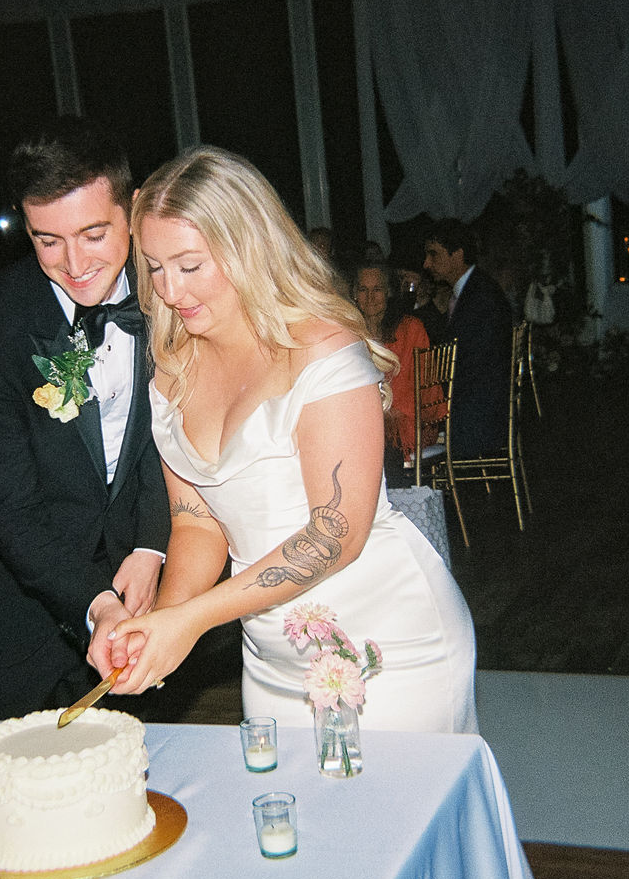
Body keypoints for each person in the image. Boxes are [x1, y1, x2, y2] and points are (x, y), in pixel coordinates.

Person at [96, 146, 477, 734]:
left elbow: (335, 535)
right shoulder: (172, 365)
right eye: (153, 267)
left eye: (190, 265)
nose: (169, 291)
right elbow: (198, 524)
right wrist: (160, 626)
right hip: (271, 655)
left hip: (389, 642)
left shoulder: (323, 350)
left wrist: (193, 620)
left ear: (248, 247)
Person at [0, 116, 170, 720]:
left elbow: (162, 439)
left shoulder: (171, 291)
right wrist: (95, 603)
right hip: (5, 609)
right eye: (47, 240)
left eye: (93, 234)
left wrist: (150, 546)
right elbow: (8, 510)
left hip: (130, 587)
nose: (74, 262)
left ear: (133, 208)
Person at [423, 219, 514, 457]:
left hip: (479, 420)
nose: (426, 263)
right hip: (479, 410)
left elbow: (469, 366)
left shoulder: (481, 299)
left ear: (457, 254)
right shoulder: (473, 290)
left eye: (434, 254)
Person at [353, 261, 432, 462]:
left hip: (402, 426)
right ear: (354, 294)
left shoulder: (410, 329)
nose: (370, 297)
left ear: (388, 292)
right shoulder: (348, 332)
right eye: (363, 289)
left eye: (377, 289)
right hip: (361, 422)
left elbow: (416, 391)